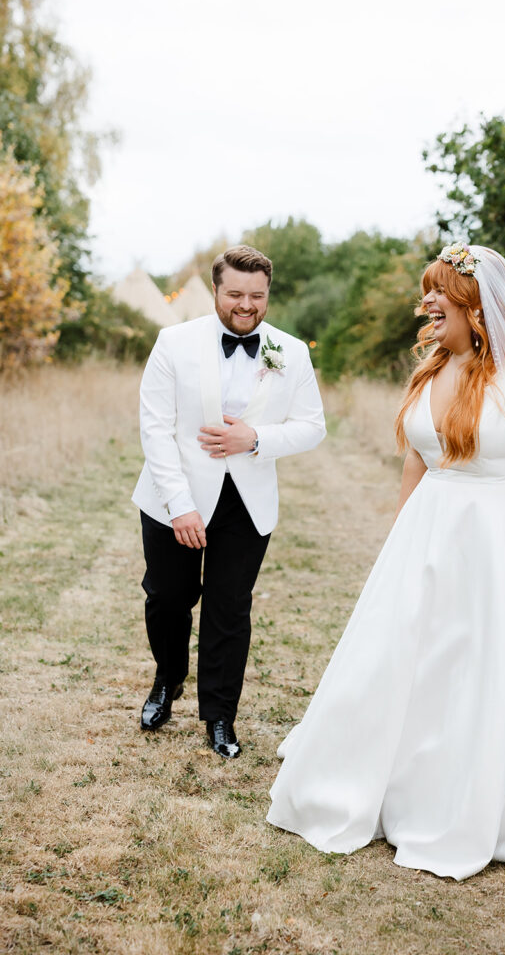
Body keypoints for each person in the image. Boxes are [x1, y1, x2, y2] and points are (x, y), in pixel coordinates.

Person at [267, 243, 505, 887]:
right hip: (432, 537)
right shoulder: (437, 366)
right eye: (427, 291)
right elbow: (419, 458)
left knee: (491, 665)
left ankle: (501, 805)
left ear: (478, 306)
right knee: (413, 662)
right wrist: (402, 540)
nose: (427, 304)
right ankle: (398, 781)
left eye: (441, 294)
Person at [132, 245, 326, 759]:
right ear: (216, 290)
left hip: (247, 501)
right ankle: (167, 679)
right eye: (235, 294)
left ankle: (220, 716)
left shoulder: (292, 351)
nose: (246, 305)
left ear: (268, 294)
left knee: (229, 609)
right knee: (167, 597)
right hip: (174, 495)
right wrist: (180, 505)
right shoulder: (173, 342)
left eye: (256, 296)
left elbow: (312, 427)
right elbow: (155, 428)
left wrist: (256, 438)